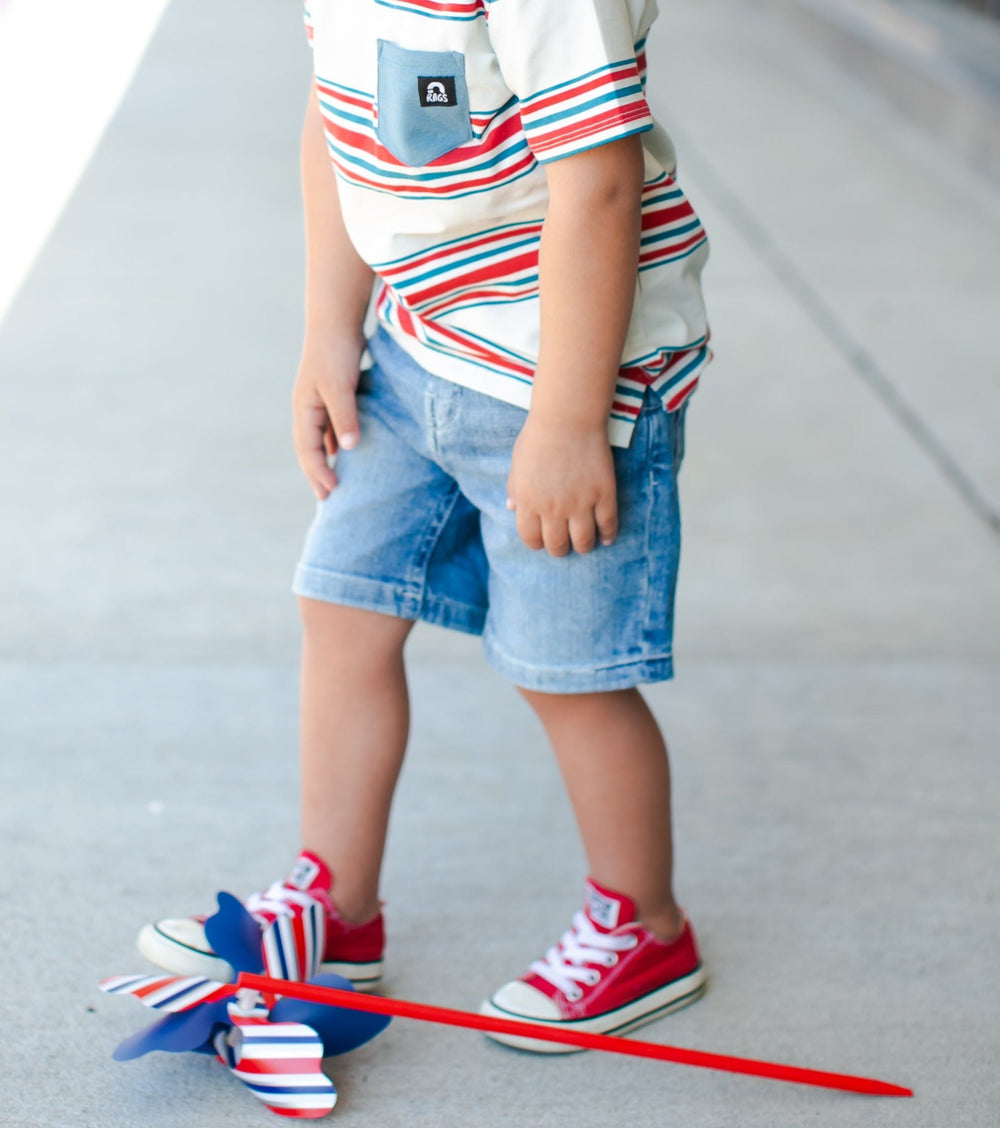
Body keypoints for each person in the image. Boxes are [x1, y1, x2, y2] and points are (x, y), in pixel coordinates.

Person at [137, 0, 713, 1050]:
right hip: (414, 346)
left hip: (567, 373)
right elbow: (335, 123)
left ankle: (645, 929)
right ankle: (339, 911)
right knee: (342, 603)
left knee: (564, 670)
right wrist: (326, 334)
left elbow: (600, 180)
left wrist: (570, 420)